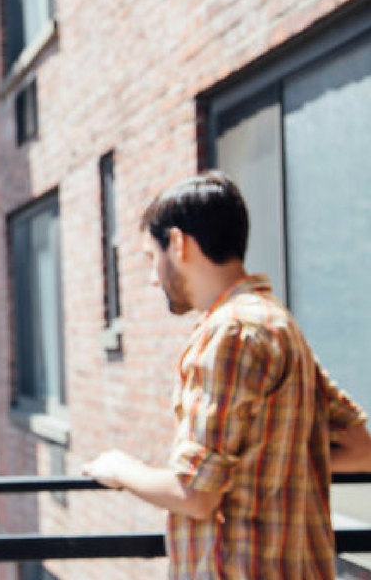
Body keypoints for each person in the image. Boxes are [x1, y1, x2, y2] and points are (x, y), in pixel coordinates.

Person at [83, 171, 371, 579]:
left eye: (151, 258)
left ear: (179, 244)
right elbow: (361, 447)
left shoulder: (229, 333)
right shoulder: (278, 324)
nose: (151, 278)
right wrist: (272, 466)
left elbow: (195, 495)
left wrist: (119, 469)